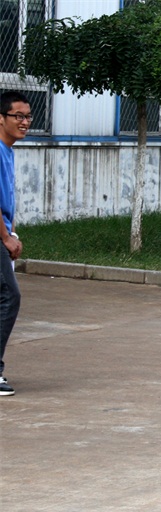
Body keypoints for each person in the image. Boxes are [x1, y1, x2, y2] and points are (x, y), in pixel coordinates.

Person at [0, 91, 31, 397]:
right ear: (1, 118)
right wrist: (5, 237)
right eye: (17, 116)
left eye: (27, 117)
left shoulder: (7, 151)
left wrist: (13, 232)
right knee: (9, 295)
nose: (24, 122)